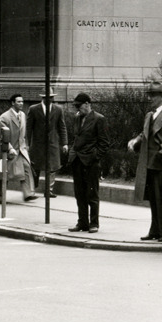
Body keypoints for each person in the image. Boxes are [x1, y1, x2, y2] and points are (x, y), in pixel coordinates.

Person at [129, 81, 162, 241]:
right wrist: (135, 141)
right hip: (149, 163)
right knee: (153, 199)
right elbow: (145, 134)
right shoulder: (149, 115)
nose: (150, 98)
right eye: (149, 95)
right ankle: (155, 230)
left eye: (153, 95)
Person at [66, 92, 110, 232]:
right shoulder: (77, 118)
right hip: (77, 160)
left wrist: (94, 157)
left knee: (92, 194)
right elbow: (76, 138)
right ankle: (82, 222)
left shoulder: (99, 119)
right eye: (76, 106)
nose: (77, 109)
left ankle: (94, 223)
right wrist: (72, 154)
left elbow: (104, 143)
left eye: (79, 106)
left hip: (90, 162)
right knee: (79, 194)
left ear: (87, 104)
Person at [26, 94, 69, 197]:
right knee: (35, 167)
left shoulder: (58, 109)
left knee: (52, 167)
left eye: (51, 97)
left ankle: (48, 190)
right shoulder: (33, 109)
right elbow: (28, 128)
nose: (49, 99)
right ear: (42, 98)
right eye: (47, 97)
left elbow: (62, 127)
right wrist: (26, 144)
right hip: (37, 144)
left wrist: (65, 143)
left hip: (52, 143)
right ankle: (32, 189)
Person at [0, 95, 36, 203]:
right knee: (3, 173)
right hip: (7, 150)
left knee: (27, 168)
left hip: (21, 149)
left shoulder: (22, 115)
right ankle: (0, 197)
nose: (21, 103)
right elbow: (1, 135)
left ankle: (28, 193)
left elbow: (23, 134)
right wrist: (9, 148)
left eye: (22, 101)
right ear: (13, 103)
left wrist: (25, 146)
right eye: (18, 101)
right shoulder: (4, 117)